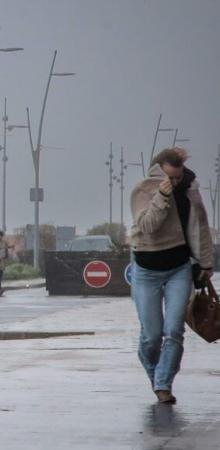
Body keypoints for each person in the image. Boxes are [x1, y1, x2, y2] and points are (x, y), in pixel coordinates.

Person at [130, 147, 213, 404]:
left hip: (179, 268)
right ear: (158, 172)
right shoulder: (143, 190)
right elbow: (147, 227)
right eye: (170, 178)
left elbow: (200, 226)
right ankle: (155, 375)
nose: (175, 182)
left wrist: (206, 264)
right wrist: (162, 197)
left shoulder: (189, 189)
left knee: (174, 330)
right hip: (146, 270)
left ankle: (164, 384)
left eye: (178, 177)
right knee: (152, 335)